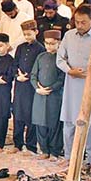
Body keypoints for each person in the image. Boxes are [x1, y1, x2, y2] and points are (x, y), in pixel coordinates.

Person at [57, 4, 91, 171]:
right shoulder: (68, 36)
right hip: (72, 85)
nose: (79, 26)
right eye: (77, 22)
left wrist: (90, 71)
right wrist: (69, 70)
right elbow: (60, 59)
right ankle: (69, 157)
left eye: (83, 23)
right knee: (69, 122)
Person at [10, 19, 44, 154]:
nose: (27, 37)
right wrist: (17, 75)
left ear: (36, 32)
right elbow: (14, 64)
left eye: (29, 34)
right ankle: (17, 144)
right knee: (17, 114)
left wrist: (29, 77)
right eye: (25, 34)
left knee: (30, 116)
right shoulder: (20, 47)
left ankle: (31, 146)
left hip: (31, 87)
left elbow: (38, 68)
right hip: (19, 85)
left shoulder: (40, 48)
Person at [30, 30, 65, 160]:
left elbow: (62, 78)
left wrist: (50, 88)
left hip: (54, 96)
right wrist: (37, 88)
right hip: (39, 95)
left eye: (52, 44)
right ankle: (44, 150)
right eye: (47, 43)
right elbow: (33, 75)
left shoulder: (61, 59)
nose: (49, 46)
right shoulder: (40, 57)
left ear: (59, 43)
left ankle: (54, 152)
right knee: (40, 123)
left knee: (53, 124)